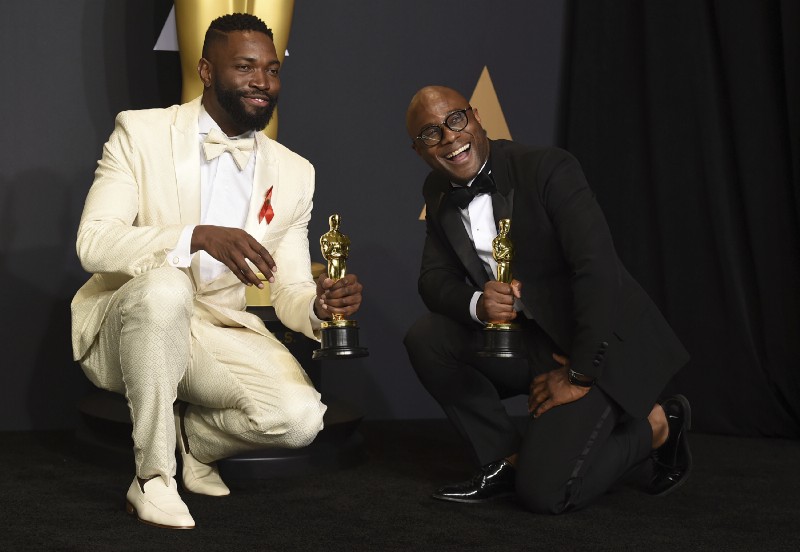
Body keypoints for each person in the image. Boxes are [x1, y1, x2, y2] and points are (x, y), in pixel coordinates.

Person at [71, 13, 363, 529]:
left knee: (300, 419)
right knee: (164, 286)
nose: (263, 82)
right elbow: (93, 243)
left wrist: (317, 304)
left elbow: (289, 283)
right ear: (206, 70)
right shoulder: (140, 133)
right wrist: (195, 236)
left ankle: (196, 442)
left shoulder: (295, 172)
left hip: (216, 331)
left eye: (272, 70)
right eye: (246, 67)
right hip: (130, 324)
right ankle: (152, 479)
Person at [403, 85, 691, 514]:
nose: (448, 137)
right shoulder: (438, 189)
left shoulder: (547, 167)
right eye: (430, 133)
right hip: (530, 340)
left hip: (596, 343)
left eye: (455, 120)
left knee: (546, 493)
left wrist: (579, 374)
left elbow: (597, 272)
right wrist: (478, 303)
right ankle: (504, 462)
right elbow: (433, 280)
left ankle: (656, 425)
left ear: (476, 117)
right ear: (419, 149)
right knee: (428, 337)